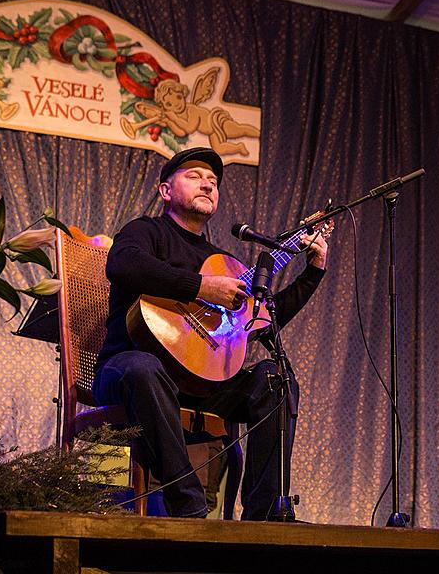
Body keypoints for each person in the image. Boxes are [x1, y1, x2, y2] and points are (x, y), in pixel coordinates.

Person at [93, 146, 328, 519]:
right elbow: (123, 265)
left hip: (199, 384)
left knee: (275, 379)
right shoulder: (145, 231)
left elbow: (266, 318)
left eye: (213, 181)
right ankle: (188, 506)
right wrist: (200, 287)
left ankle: (263, 515)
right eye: (194, 176)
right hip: (128, 370)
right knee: (144, 368)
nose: (207, 184)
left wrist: (313, 270)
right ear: (166, 191)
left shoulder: (223, 262)